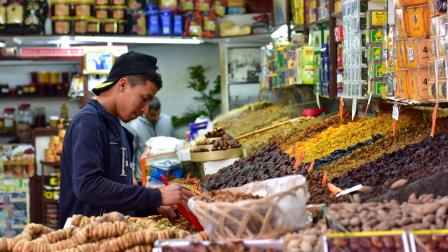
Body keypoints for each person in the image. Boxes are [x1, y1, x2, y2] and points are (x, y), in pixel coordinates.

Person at [58, 51, 193, 228]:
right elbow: (88, 186)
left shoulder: (120, 130)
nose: (145, 109)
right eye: (144, 99)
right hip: (83, 239)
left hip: (112, 234)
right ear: (122, 85)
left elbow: (116, 197)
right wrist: (157, 196)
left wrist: (151, 207)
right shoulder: (88, 122)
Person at [125, 97, 175, 183]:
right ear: (144, 111)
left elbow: (173, 144)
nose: (156, 118)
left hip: (168, 175)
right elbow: (130, 156)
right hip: (144, 178)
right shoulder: (135, 127)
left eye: (158, 114)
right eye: (152, 115)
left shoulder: (167, 120)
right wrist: (132, 177)